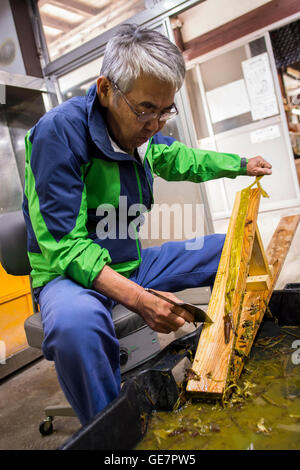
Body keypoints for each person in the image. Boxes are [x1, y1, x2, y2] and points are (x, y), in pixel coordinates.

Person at [23, 24, 272, 426]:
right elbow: (66, 246)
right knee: (77, 326)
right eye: (145, 109)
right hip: (66, 276)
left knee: (232, 245)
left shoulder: (141, 133)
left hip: (130, 261)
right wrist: (140, 300)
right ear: (105, 89)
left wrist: (241, 165)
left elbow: (182, 160)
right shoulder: (60, 134)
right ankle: (113, 434)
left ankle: (231, 352)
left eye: (164, 110)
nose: (156, 124)